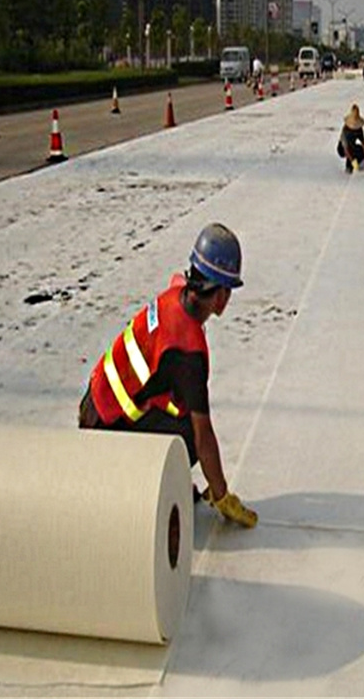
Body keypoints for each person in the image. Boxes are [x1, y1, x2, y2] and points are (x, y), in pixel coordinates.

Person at [79, 223, 258, 528]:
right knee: (189, 434)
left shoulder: (176, 293)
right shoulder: (187, 353)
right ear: (220, 296)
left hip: (94, 404)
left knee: (180, 410)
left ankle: (148, 468)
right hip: (104, 428)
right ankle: (138, 483)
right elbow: (204, 438)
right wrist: (221, 494)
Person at [338, 104, 364, 174]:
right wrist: (353, 162)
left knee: (360, 152)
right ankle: (349, 167)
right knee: (351, 151)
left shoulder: (359, 130)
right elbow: (346, 149)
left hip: (352, 145)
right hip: (343, 147)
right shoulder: (346, 131)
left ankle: (356, 161)